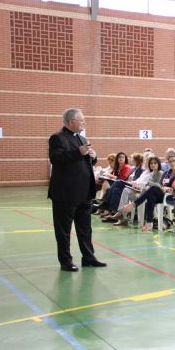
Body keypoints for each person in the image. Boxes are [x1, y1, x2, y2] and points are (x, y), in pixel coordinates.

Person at [48, 108, 106, 271]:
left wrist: (92, 157)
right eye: (81, 120)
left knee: (85, 228)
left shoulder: (82, 138)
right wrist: (78, 152)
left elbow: (84, 162)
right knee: (64, 230)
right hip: (65, 193)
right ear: (71, 121)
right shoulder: (57, 138)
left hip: (83, 192)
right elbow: (56, 159)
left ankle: (88, 257)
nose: (84, 123)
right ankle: (66, 262)